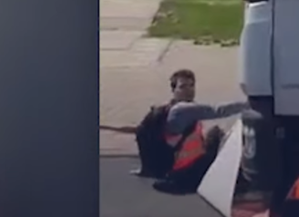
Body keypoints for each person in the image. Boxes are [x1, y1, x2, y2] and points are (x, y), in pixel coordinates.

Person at [99, 68, 249, 193]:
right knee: (220, 135)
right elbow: (218, 110)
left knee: (213, 134)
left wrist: (106, 127)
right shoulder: (183, 110)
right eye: (183, 87)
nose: (189, 90)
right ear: (174, 90)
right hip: (187, 172)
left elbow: (139, 130)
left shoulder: (164, 110)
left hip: (170, 170)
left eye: (191, 85)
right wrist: (252, 103)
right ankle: (239, 182)